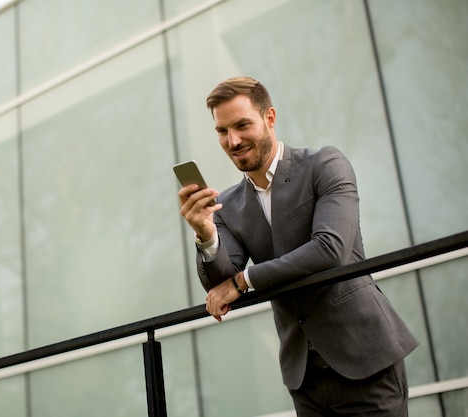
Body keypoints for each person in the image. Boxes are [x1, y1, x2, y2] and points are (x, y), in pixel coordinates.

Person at [177, 76, 418, 416]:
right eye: (222, 131)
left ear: (269, 118)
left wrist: (244, 281)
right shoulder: (227, 206)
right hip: (305, 380)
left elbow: (329, 248)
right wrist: (205, 234)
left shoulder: (325, 165)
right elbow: (221, 281)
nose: (233, 140)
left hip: (366, 360)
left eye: (242, 125)